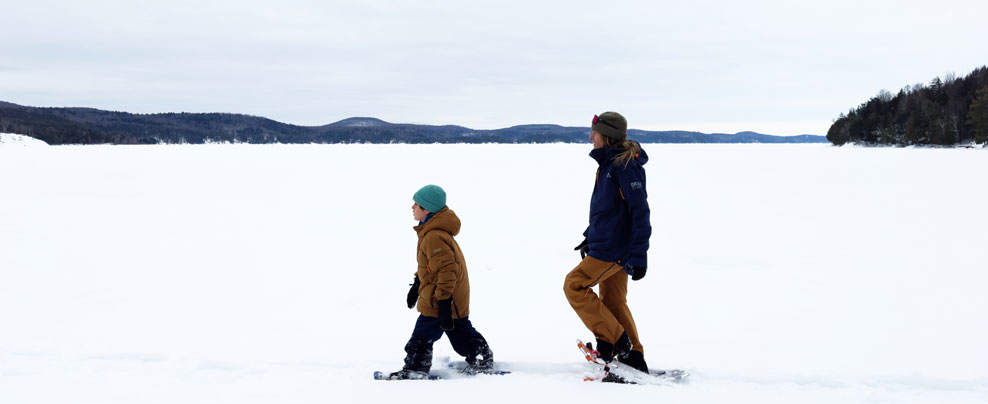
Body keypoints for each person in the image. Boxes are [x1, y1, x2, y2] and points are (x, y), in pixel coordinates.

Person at [564, 111, 651, 379]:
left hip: (615, 249)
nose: (591, 137)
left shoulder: (625, 167)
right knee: (613, 300)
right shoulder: (609, 164)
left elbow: (640, 212)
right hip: (607, 243)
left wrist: (639, 253)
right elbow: (610, 210)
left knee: (574, 285)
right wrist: (591, 234)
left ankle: (614, 341)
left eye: (595, 133)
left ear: (608, 136)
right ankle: (633, 356)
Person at [388, 184, 495, 380]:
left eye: (417, 204)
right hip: (446, 295)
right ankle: (481, 358)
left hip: (442, 297)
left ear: (426, 209)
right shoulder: (431, 232)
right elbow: (431, 267)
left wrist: (444, 302)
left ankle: (415, 368)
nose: (412, 207)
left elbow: (447, 270)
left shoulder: (434, 236)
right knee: (459, 330)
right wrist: (417, 284)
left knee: (422, 335)